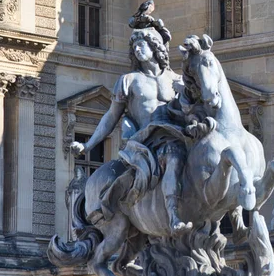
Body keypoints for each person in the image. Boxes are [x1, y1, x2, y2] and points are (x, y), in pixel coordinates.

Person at [70, 27, 192, 235]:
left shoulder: (177, 80)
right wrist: (88, 145)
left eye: (141, 44)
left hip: (175, 134)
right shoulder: (129, 80)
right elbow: (111, 116)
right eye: (133, 46)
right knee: (173, 156)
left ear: (155, 47)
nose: (137, 49)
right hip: (145, 141)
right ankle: (173, 216)